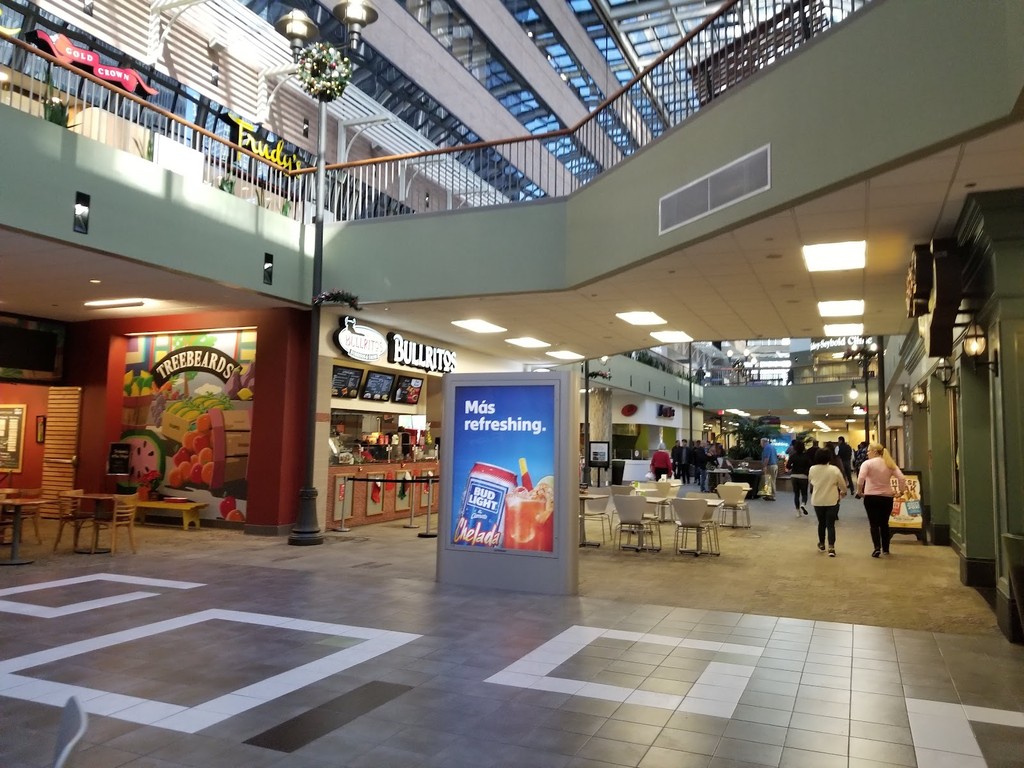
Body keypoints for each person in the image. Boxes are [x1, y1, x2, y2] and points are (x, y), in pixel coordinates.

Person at [857, 443, 906, 557]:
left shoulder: (867, 464)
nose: (867, 453)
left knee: (873, 524)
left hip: (871, 497)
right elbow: (902, 478)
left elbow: (860, 479)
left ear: (874, 451)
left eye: (868, 451)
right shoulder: (889, 463)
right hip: (887, 497)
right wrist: (901, 492)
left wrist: (859, 491)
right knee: (884, 524)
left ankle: (877, 548)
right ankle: (886, 549)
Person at [808, 447, 846, 556]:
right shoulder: (834, 469)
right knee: (830, 524)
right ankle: (831, 547)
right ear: (829, 457)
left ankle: (821, 543)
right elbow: (842, 483)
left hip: (817, 500)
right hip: (832, 500)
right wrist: (843, 492)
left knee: (821, 523)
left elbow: (811, 481)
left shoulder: (812, 469)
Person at [786, 440, 812, 517]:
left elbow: (788, 466)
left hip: (794, 476)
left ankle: (797, 511)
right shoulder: (806, 456)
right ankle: (803, 504)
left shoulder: (793, 456)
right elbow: (810, 465)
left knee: (796, 494)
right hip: (803, 476)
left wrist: (792, 467)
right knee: (804, 493)